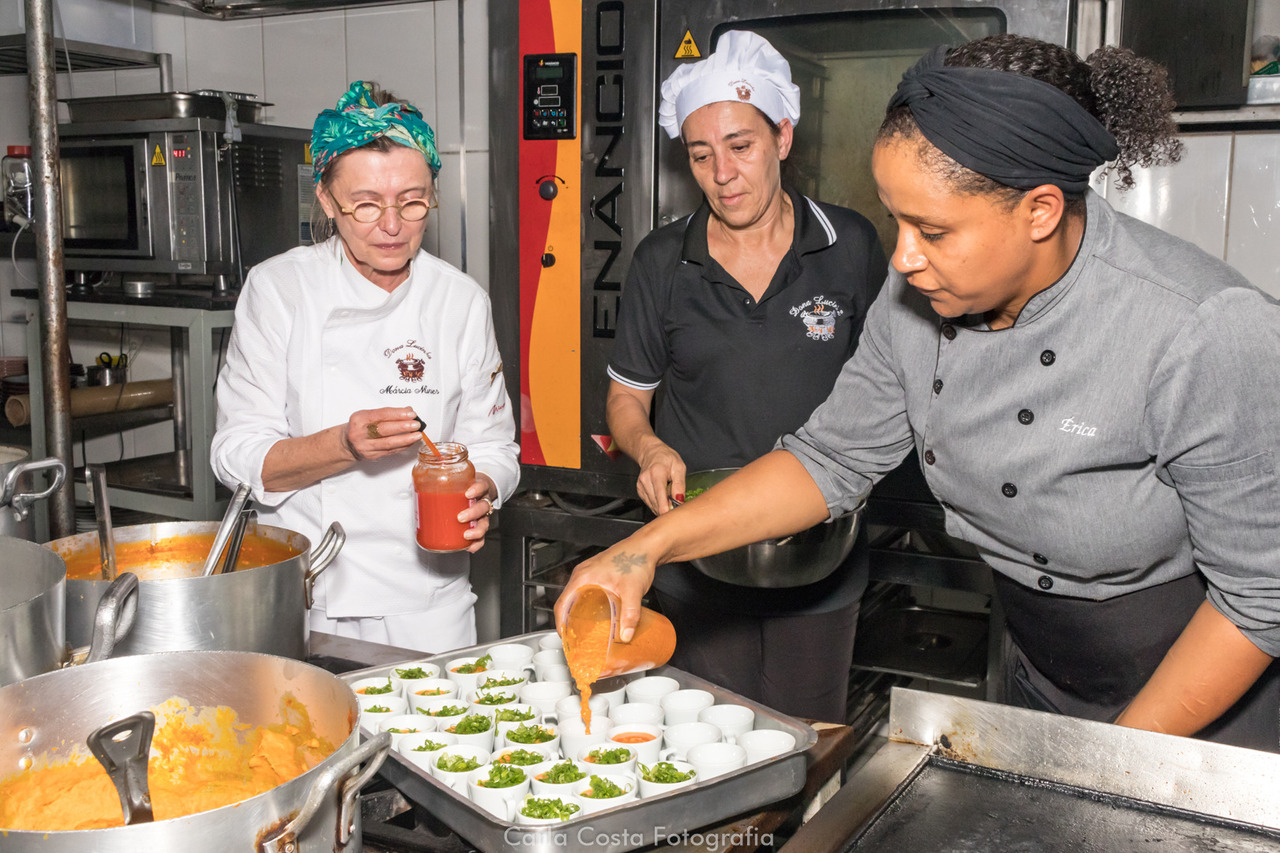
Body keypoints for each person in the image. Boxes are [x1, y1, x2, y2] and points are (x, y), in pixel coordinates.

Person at [557, 35, 1280, 751]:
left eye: (932, 230)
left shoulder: (1202, 329)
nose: (901, 258)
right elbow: (827, 460)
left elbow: (1259, 597)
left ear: (1041, 211)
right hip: (1038, 666)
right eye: (897, 221)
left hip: (1202, 695)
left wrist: (1107, 761)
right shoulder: (915, 305)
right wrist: (646, 547)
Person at [604, 31, 886, 723]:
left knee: (808, 746)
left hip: (822, 555)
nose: (722, 172)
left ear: (783, 137)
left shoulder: (849, 246)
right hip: (698, 557)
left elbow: (893, 390)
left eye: (741, 146)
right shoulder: (662, 261)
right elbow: (625, 398)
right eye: (701, 155)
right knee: (709, 752)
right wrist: (648, 449)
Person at [212, 81, 519, 653]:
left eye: (412, 200)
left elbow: (496, 445)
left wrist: (482, 489)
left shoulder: (460, 301)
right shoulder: (280, 289)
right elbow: (236, 457)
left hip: (429, 596)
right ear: (328, 202)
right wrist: (344, 446)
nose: (392, 226)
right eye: (366, 205)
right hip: (307, 593)